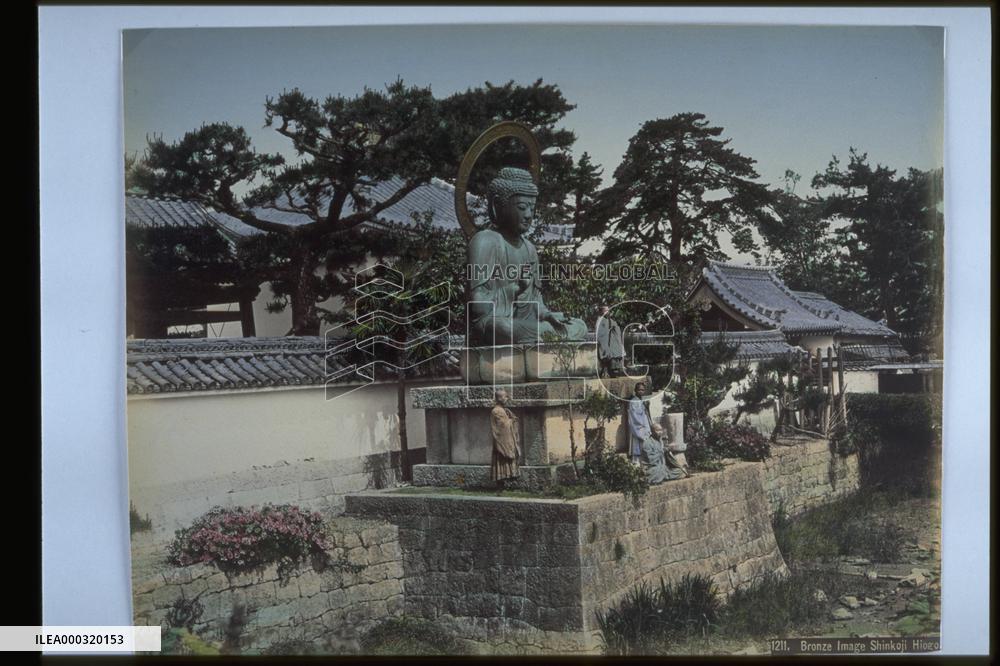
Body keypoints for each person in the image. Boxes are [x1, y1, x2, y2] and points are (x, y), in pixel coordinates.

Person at [467, 167, 588, 346]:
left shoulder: (529, 248)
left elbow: (536, 302)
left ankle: (550, 332)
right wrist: (515, 288)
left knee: (580, 325)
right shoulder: (485, 241)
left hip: (526, 324)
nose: (529, 215)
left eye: (532, 208)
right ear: (498, 205)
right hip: (495, 325)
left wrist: (548, 315)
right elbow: (478, 307)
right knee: (504, 328)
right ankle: (548, 335)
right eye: (522, 207)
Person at [627, 382, 687, 484]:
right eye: (639, 390)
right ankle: (639, 473)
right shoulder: (634, 402)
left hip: (646, 428)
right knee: (639, 452)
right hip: (639, 429)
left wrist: (647, 408)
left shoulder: (642, 401)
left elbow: (646, 415)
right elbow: (635, 418)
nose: (641, 392)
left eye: (642, 390)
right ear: (635, 391)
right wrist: (642, 431)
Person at [490, 388, 522, 484]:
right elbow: (502, 426)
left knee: (507, 458)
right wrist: (512, 420)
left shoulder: (503, 410)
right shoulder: (497, 411)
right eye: (505, 396)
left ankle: (508, 479)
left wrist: (510, 418)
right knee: (502, 457)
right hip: (501, 441)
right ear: (500, 398)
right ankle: (501, 481)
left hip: (506, 440)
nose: (507, 398)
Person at [596, 305, 626, 377]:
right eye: (605, 311)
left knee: (613, 356)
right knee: (605, 356)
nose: (607, 312)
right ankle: (605, 372)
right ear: (601, 312)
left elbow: (616, 329)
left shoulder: (610, 320)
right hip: (604, 342)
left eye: (608, 310)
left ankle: (613, 371)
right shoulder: (600, 321)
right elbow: (600, 333)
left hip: (612, 343)